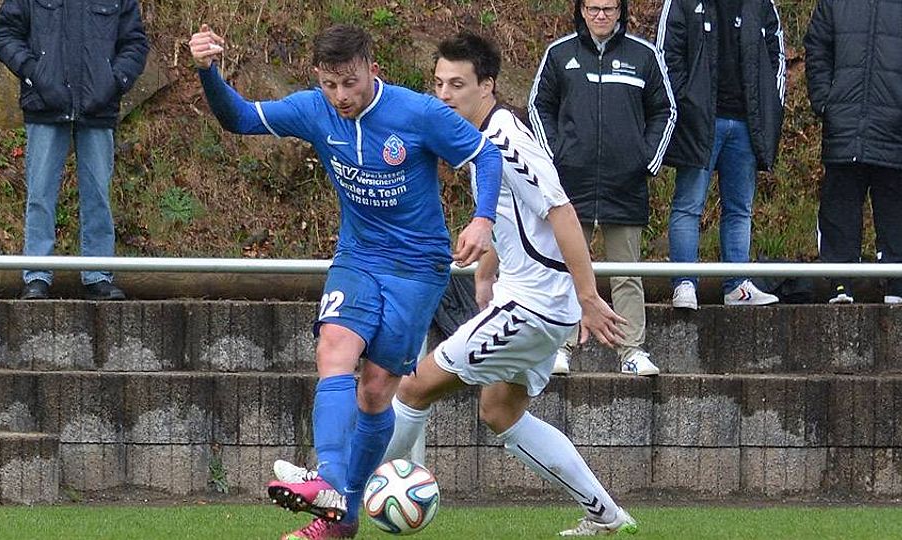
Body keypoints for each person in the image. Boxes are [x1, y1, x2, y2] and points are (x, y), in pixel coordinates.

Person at [188, 23, 502, 539]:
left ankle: (344, 516)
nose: (340, 96)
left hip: (417, 268)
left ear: (372, 70)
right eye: (330, 84)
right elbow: (239, 118)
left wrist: (482, 219)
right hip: (357, 257)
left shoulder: (417, 112)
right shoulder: (315, 109)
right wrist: (208, 71)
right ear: (319, 78)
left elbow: (485, 155)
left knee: (376, 392)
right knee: (333, 346)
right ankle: (329, 481)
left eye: (350, 83)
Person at [387, 31, 634, 537]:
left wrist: (589, 297)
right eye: (439, 84)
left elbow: (560, 211)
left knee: (413, 387)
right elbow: (515, 218)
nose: (444, 95)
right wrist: (486, 273)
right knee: (500, 409)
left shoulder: (506, 140)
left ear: (488, 86)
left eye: (457, 84)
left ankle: (340, 490)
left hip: (534, 307)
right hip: (528, 301)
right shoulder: (480, 140)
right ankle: (607, 516)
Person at [529, 0, 676, 376]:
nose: (601, 16)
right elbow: (539, 107)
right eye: (593, 8)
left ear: (620, 11)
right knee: (564, 269)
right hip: (570, 187)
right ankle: (559, 347)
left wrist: (645, 160)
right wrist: (555, 159)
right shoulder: (559, 54)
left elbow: (665, 111)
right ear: (581, 10)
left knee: (626, 273)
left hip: (625, 184)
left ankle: (632, 351)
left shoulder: (644, 55)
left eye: (609, 8)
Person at [0, 0, 148, 300]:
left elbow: (135, 43)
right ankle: (37, 276)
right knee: (40, 194)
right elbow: (5, 33)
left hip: (98, 107)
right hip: (45, 104)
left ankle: (98, 275)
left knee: (98, 195)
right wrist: (34, 73)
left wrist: (114, 81)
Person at [656, 0, 786, 309]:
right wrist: (685, 106)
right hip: (699, 121)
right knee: (689, 205)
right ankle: (684, 283)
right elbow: (666, 55)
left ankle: (737, 285)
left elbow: (777, 57)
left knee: (740, 209)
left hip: (746, 123)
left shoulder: (761, 4)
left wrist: (769, 108)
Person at [804, 0, 902, 305]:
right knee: (839, 208)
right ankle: (840, 284)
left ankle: (897, 285)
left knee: (895, 209)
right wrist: (825, 101)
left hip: (894, 131)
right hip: (844, 128)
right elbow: (817, 47)